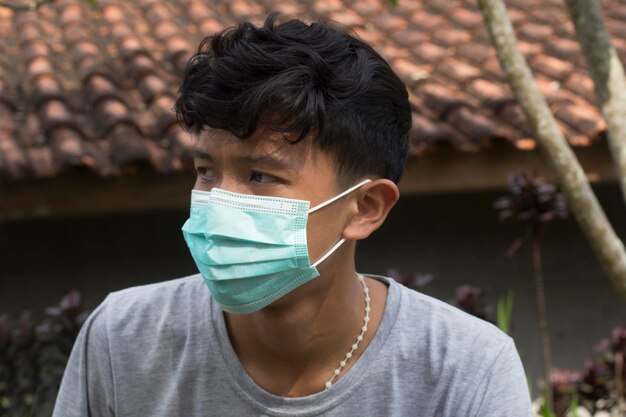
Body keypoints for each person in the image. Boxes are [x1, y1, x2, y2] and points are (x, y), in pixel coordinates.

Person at [52, 12, 532, 417]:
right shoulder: (123, 341)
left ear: (365, 208)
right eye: (205, 170)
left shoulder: (466, 370)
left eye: (261, 176)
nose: (219, 200)